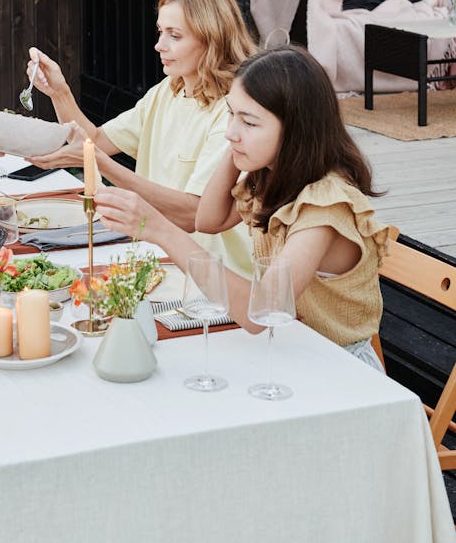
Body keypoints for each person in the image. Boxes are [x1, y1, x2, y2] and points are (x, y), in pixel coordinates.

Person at [96, 44, 388, 366]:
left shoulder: (325, 204)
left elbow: (262, 312)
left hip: (338, 369)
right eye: (230, 114)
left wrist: (159, 229)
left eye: (250, 123)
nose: (230, 132)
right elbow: (208, 219)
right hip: (286, 352)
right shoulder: (271, 174)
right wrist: (239, 145)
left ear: (297, 131)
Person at [26, 0, 256, 277]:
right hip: (156, 262)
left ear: (212, 39)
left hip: (215, 278)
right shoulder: (167, 91)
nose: (159, 45)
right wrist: (59, 91)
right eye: (161, 31)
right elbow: (95, 139)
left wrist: (99, 164)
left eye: (175, 36)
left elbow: (194, 214)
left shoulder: (234, 111)